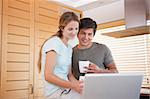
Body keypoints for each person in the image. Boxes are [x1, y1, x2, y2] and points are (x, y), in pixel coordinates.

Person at [39, 12, 82, 99]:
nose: (74, 32)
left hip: (66, 89)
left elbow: (69, 74)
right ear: (62, 28)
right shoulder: (54, 43)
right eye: (70, 29)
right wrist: (73, 86)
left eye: (76, 28)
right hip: (54, 92)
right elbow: (48, 76)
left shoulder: (69, 48)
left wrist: (79, 85)